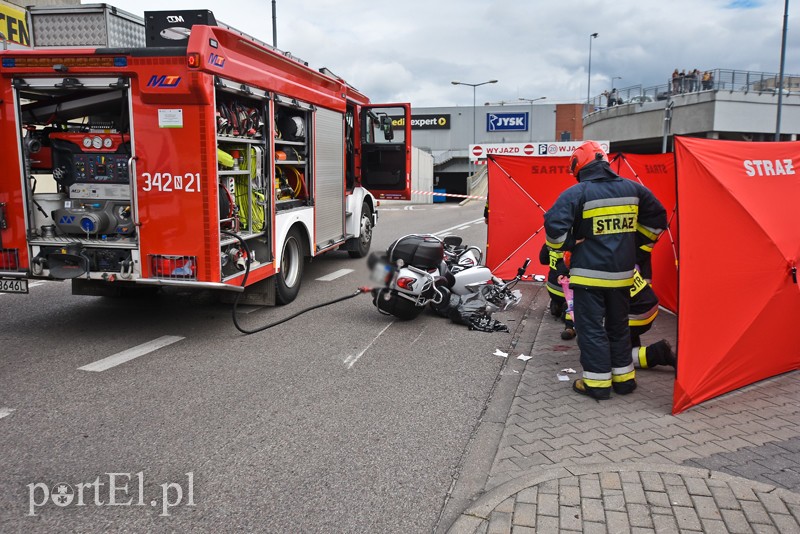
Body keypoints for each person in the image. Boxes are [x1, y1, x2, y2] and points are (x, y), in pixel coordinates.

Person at [544, 140, 667, 400]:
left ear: (579, 167)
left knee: (591, 330)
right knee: (618, 328)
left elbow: (554, 226)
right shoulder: (634, 189)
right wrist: (639, 247)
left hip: (589, 277)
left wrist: (568, 243)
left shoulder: (577, 193)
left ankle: (597, 384)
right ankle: (624, 381)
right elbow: (658, 217)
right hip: (622, 277)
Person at [538, 243, 575, 340]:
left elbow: (543, 260)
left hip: (552, 287)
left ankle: (557, 304)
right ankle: (567, 313)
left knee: (559, 299)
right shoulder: (575, 242)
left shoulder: (549, 242)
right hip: (568, 291)